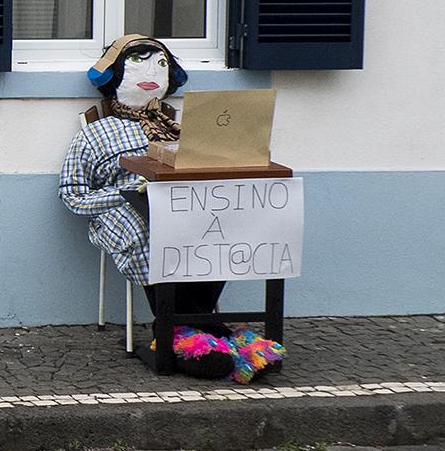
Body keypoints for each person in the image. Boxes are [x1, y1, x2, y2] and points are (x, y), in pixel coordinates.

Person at [58, 34, 285, 383]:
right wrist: (126, 194)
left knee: (220, 228)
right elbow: (72, 194)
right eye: (138, 64)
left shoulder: (187, 125)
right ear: (114, 76)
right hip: (126, 207)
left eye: (161, 65)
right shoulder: (94, 133)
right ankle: (196, 333)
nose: (151, 73)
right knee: (149, 231)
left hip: (184, 205)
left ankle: (189, 333)